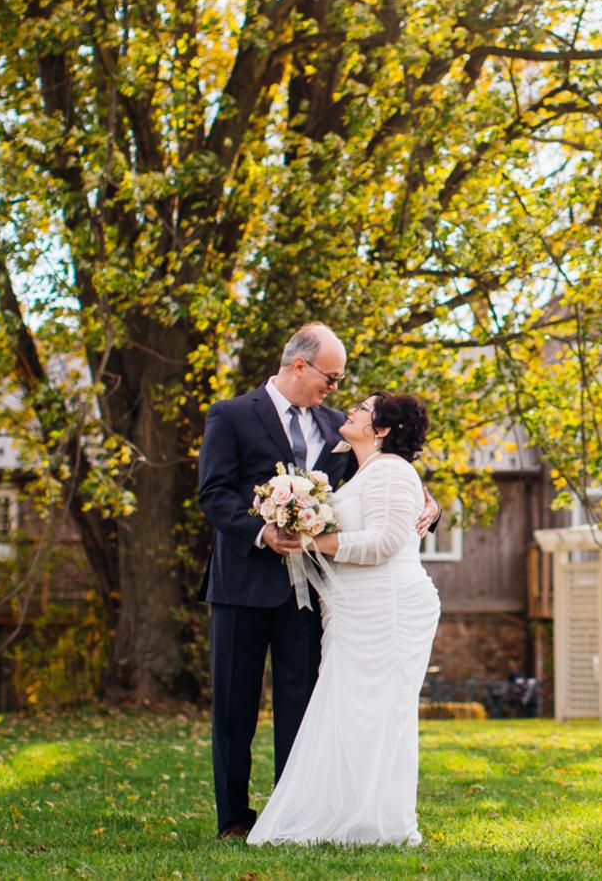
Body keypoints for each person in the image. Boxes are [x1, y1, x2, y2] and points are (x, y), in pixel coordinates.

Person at [197, 324, 438, 839]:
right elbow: (214, 493)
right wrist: (261, 531)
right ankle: (234, 819)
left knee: (302, 705)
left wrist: (430, 505)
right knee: (234, 705)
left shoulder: (338, 427)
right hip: (241, 584)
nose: (335, 388)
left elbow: (386, 478)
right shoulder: (231, 415)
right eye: (330, 376)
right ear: (299, 365)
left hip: (313, 593)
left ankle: (296, 813)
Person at [248, 391, 442, 847]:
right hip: (354, 609)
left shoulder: (393, 471)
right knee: (348, 711)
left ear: (382, 429)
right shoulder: (364, 470)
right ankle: (341, 816)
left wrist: (311, 540)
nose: (350, 410)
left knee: (377, 714)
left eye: (363, 409)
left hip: (387, 608)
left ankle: (377, 822)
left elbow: (384, 543)